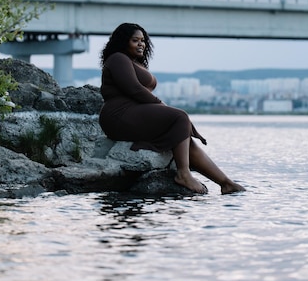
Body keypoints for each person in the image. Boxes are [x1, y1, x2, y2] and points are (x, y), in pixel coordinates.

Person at [99, 22, 245, 195]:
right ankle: (184, 174)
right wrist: (162, 106)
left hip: (134, 114)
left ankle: (225, 183)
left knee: (182, 138)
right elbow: (134, 89)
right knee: (180, 117)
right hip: (118, 116)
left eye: (143, 40)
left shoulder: (134, 62)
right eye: (135, 40)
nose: (141, 44)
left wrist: (165, 112)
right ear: (123, 41)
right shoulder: (118, 58)